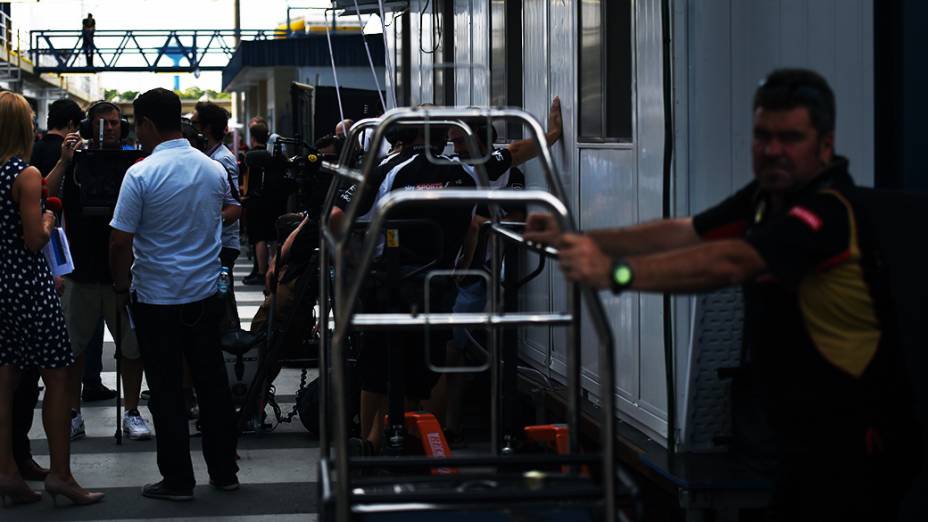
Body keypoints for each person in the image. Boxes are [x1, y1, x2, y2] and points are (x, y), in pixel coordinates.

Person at [524, 69, 921, 522]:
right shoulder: (767, 198)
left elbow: (733, 261)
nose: (773, 151)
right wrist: (577, 237)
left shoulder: (828, 212)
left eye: (790, 138)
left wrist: (614, 272)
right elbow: (687, 232)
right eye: (762, 136)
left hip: (859, 448)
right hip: (802, 442)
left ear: (825, 145)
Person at [110, 88, 240, 500]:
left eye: (136, 124)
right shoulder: (212, 169)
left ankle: (179, 480)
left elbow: (119, 241)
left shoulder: (141, 173)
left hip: (157, 299)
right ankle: (224, 471)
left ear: (147, 123)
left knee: (167, 391)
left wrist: (120, 284)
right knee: (212, 386)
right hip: (204, 296)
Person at [0, 91, 103, 506]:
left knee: (5, 380)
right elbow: (33, 239)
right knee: (59, 377)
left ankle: (6, 470)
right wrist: (47, 217)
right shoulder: (22, 174)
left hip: (2, 286)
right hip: (30, 286)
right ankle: (61, 475)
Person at [45, 100, 152, 441]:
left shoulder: (134, 164)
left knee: (133, 349)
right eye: (102, 123)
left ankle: (132, 411)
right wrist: (65, 160)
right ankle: (73, 412)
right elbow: (43, 194)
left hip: (122, 272)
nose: (110, 129)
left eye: (115, 123)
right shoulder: (75, 161)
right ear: (89, 127)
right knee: (72, 349)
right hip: (81, 271)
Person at [192, 102, 242, 271]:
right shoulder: (209, 154)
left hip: (223, 243)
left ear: (207, 128)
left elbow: (232, 202)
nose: (192, 128)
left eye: (195, 124)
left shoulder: (222, 159)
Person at [242, 118, 284, 286]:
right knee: (273, 238)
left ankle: (260, 272)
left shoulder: (251, 156)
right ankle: (273, 270)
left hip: (256, 202)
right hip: (275, 201)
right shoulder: (276, 156)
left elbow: (247, 180)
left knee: (259, 238)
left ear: (253, 138)